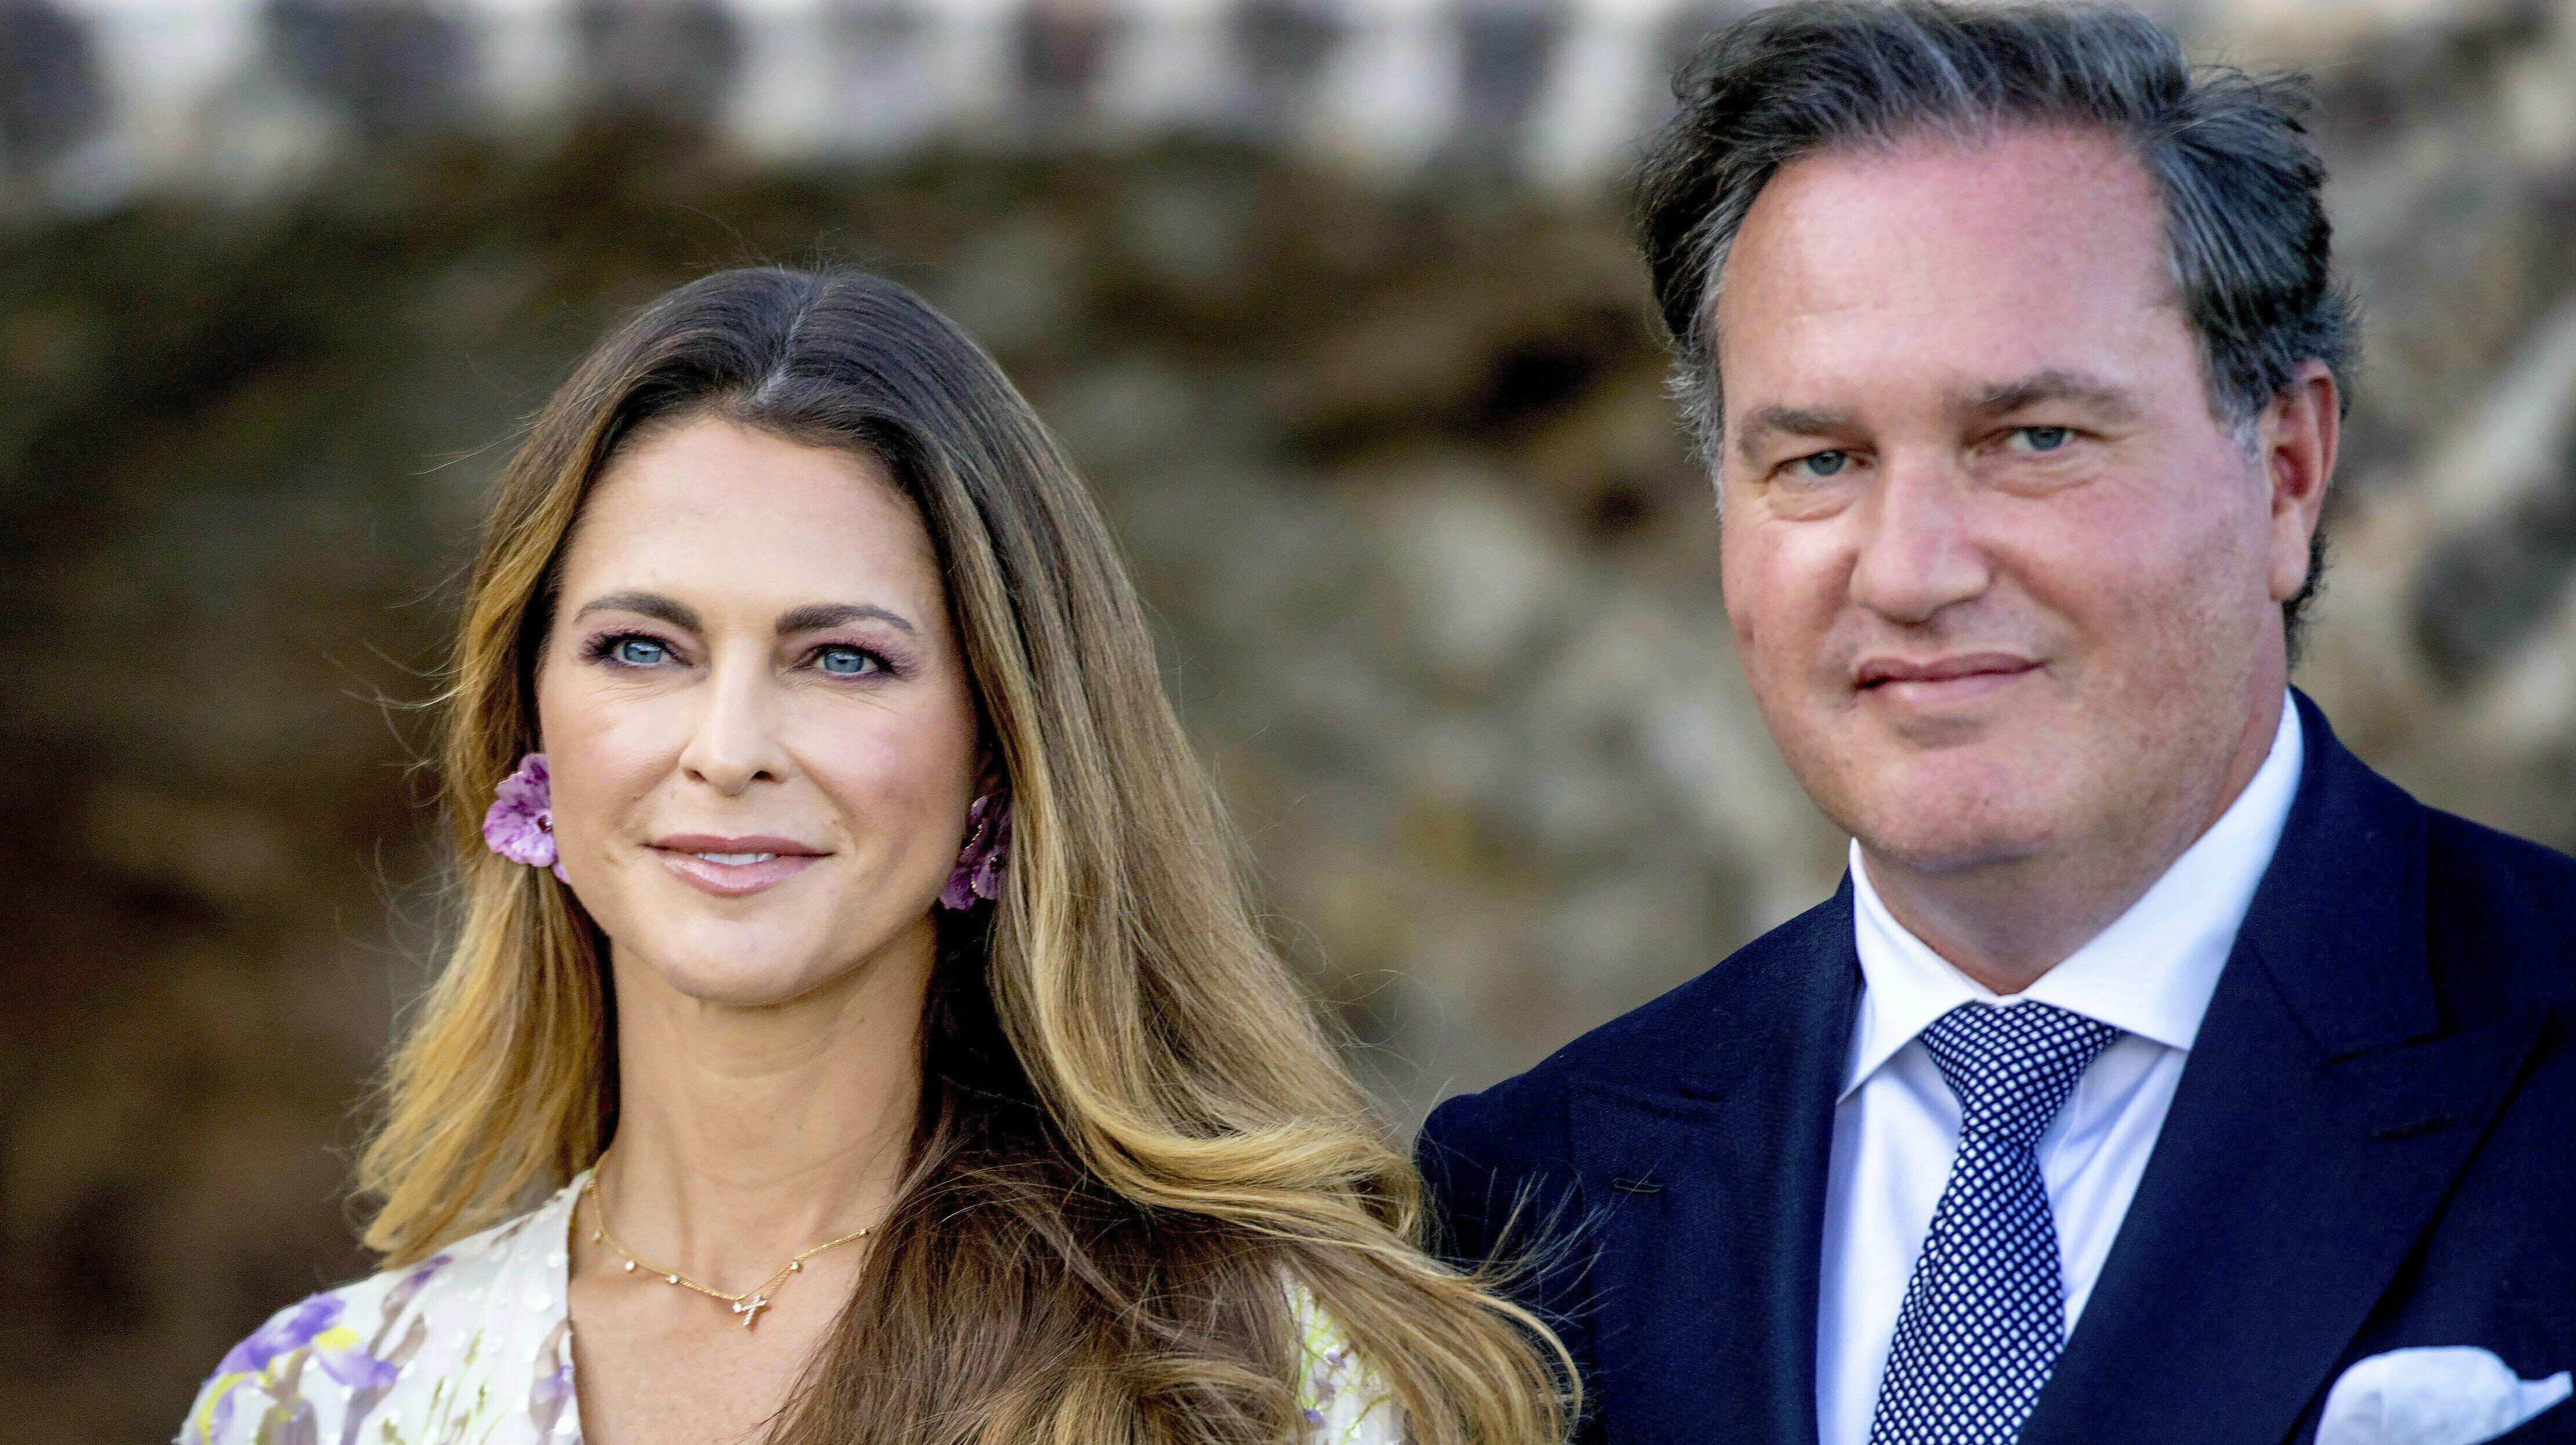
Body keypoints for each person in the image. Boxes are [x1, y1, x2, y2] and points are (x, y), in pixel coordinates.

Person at [1416, 4, 2576, 1444]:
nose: (1910, 570)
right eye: (1819, 459)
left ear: (2283, 470)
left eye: (2031, 439)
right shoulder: (1521, 1203)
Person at [180, 267, 1571, 1445]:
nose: (726, 746)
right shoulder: (313, 1401)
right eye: (640, 648)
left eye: (841, 657)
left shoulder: (1261, 1375)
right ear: (527, 727)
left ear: (998, 749)